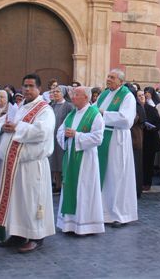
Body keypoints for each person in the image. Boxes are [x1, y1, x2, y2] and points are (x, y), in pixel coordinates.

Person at [0, 73, 56, 253]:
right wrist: (3, 127)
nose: (27, 89)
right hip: (16, 164)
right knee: (18, 200)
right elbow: (5, 122)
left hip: (32, 165)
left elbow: (42, 132)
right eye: (24, 86)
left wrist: (18, 127)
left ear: (39, 89)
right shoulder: (22, 107)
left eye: (31, 86)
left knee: (32, 200)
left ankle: (36, 236)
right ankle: (18, 233)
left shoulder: (44, 110)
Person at [56, 86, 105, 235]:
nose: (73, 96)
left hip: (86, 161)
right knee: (71, 186)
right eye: (73, 94)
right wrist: (65, 135)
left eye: (76, 94)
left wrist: (77, 135)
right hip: (71, 157)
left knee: (84, 189)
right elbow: (60, 131)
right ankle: (69, 224)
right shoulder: (72, 113)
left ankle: (85, 225)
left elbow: (98, 138)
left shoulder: (94, 114)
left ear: (86, 97)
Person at [95, 69, 137, 227]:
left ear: (121, 81)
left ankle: (119, 214)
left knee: (117, 175)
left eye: (112, 77)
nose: (109, 79)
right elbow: (93, 110)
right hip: (102, 138)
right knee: (104, 176)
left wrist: (102, 113)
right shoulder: (104, 94)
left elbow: (126, 120)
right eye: (108, 76)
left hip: (117, 140)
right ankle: (103, 211)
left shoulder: (127, 96)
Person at [49, 85, 74, 194]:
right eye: (53, 92)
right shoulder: (52, 105)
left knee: (60, 160)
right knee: (53, 160)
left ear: (63, 93)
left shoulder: (68, 106)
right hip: (52, 137)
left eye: (58, 91)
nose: (55, 93)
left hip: (62, 137)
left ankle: (61, 184)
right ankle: (56, 182)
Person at [141, 88, 160, 191]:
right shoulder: (134, 109)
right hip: (140, 140)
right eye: (139, 96)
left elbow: (159, 124)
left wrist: (150, 127)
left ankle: (147, 183)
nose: (141, 98)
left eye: (142, 96)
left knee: (148, 164)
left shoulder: (151, 109)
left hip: (150, 139)